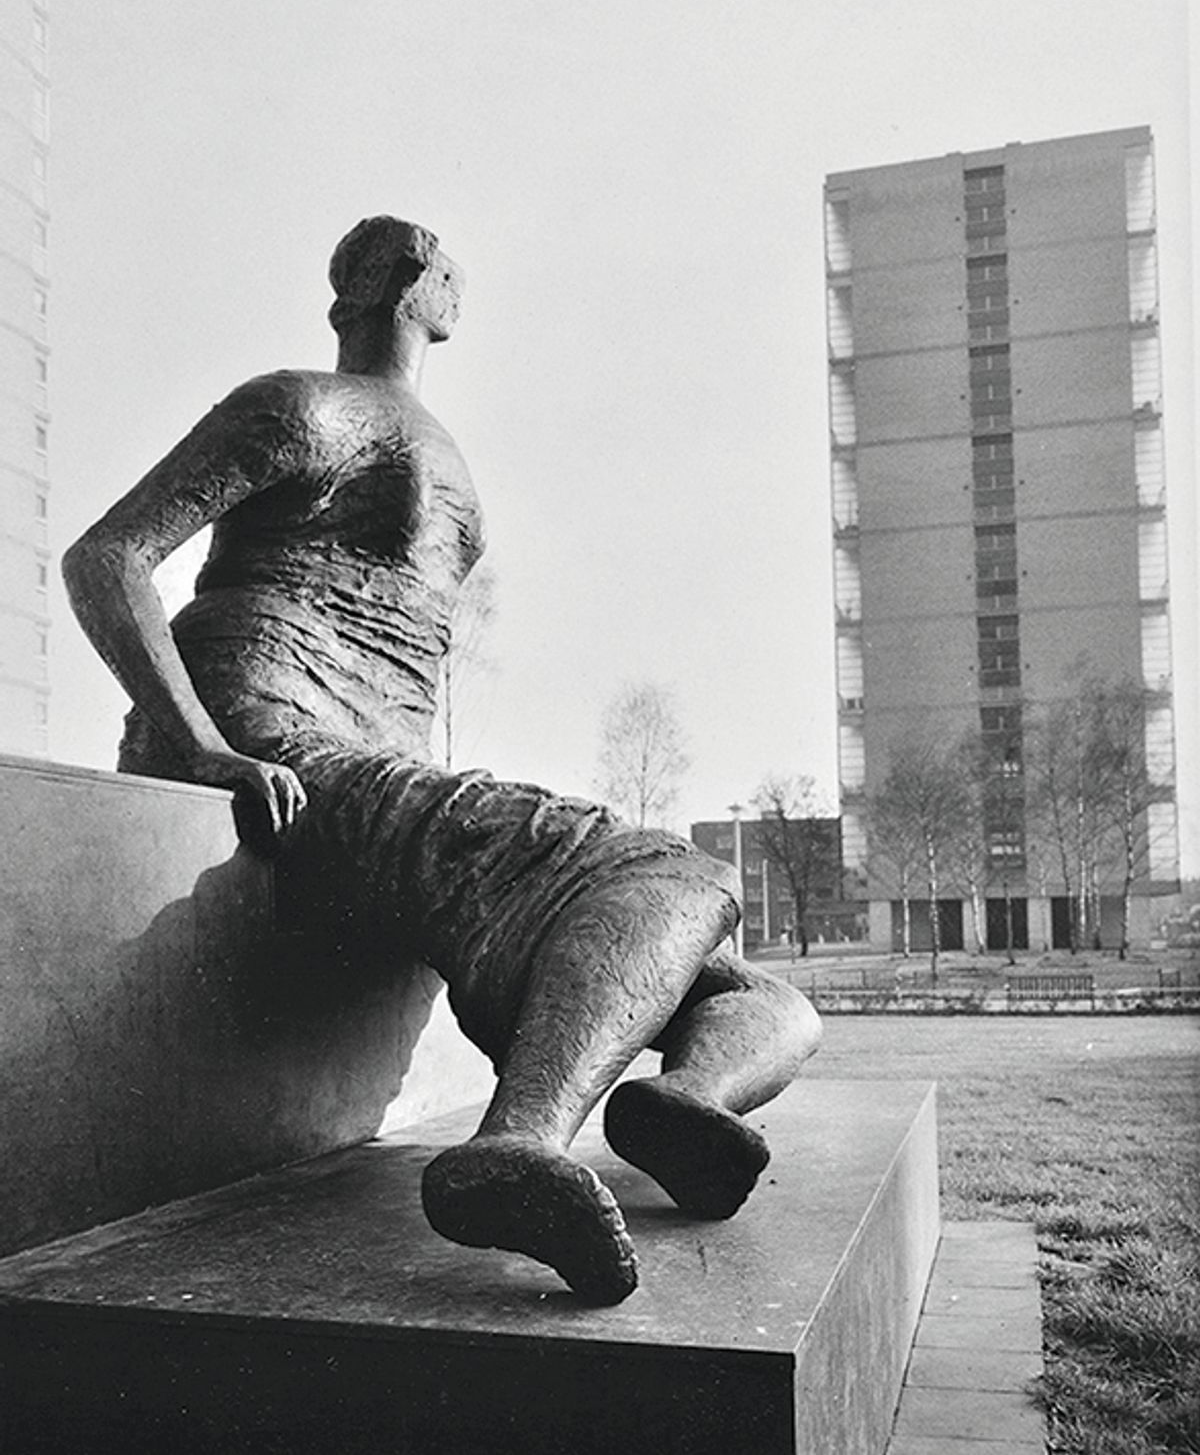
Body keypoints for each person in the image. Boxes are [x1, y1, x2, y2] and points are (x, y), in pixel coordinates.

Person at [63, 217, 822, 1304]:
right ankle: (515, 1147)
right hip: (280, 733)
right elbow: (110, 557)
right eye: (443, 270)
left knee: (765, 1000)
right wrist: (204, 746)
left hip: (381, 774)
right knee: (675, 873)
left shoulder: (446, 465)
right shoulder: (302, 406)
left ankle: (683, 1097)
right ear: (417, 285)